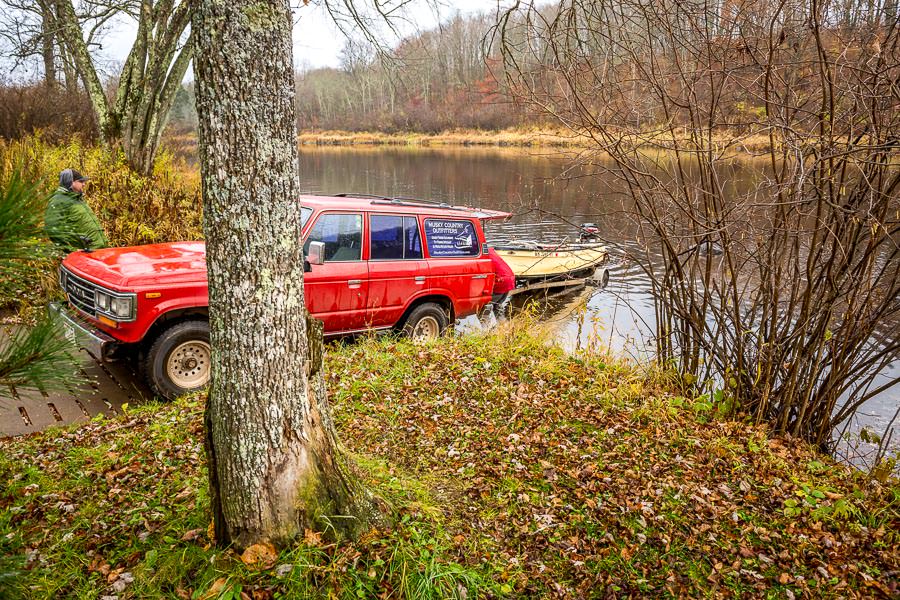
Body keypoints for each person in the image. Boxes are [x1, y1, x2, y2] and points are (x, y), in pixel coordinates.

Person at [45, 169, 109, 252]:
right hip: (85, 255)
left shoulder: (77, 198)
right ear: (71, 182)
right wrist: (71, 250)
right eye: (81, 181)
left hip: (100, 251)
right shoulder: (58, 201)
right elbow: (52, 229)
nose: (83, 184)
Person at [484, 246, 516, 321]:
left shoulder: (480, 253)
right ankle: (503, 327)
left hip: (501, 281)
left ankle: (486, 329)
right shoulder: (490, 250)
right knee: (497, 305)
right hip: (510, 279)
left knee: (484, 307)